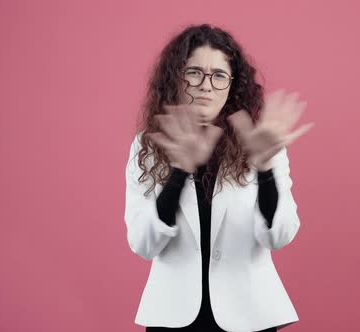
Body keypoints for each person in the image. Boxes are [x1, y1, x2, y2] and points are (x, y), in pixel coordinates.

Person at [123, 24, 313, 332]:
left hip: (251, 317)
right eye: (194, 72)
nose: (206, 86)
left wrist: (264, 168)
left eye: (219, 75)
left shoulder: (260, 141)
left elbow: (278, 236)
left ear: (232, 85)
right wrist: (178, 172)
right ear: (176, 76)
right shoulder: (147, 145)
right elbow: (144, 244)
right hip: (172, 317)